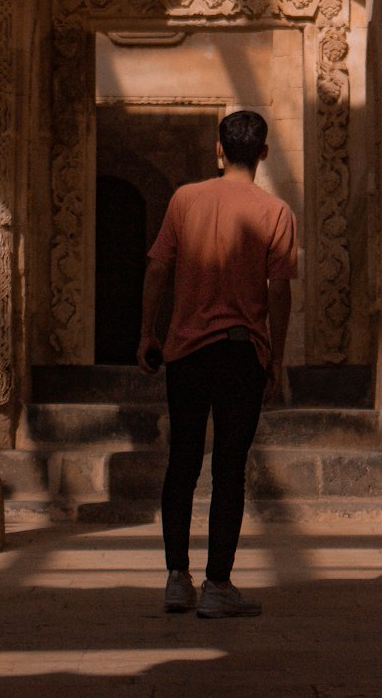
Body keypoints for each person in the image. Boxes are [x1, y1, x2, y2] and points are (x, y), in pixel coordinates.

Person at [137, 108, 297, 619]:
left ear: (219, 150)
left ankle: (176, 579)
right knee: (230, 468)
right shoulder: (276, 213)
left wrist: (148, 333)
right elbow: (279, 291)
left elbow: (159, 268)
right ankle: (218, 585)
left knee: (182, 461)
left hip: (186, 351)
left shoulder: (186, 200)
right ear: (264, 154)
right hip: (241, 351)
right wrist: (276, 355)